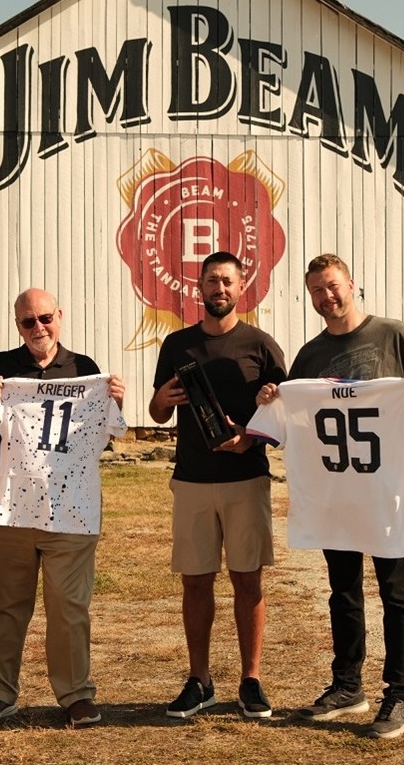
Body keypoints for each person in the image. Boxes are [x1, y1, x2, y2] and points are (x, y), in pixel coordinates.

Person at [256, 253, 404, 739]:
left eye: (333, 286)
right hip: (335, 492)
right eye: (317, 290)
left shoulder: (392, 334)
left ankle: (400, 695)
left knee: (396, 591)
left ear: (352, 284)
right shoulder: (311, 355)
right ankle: (347, 686)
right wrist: (273, 398)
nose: (327, 297)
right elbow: (292, 410)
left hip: (385, 493)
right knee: (343, 591)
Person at [0, 289, 126, 728]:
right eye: (27, 322)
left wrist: (115, 400)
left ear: (60, 315)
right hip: (7, 499)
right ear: (17, 325)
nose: (38, 328)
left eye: (44, 318)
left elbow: (106, 436)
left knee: (69, 605)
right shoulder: (0, 367)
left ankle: (76, 693)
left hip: (70, 503)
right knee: (2, 601)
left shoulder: (87, 371)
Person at [148, 252, 287, 719]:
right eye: (212, 281)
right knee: (195, 581)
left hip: (246, 479)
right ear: (199, 288)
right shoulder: (177, 345)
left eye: (227, 281)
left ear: (241, 287)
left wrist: (249, 438)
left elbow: (282, 418)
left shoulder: (262, 347)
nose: (219, 289)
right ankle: (199, 680)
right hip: (191, 480)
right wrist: (161, 400)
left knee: (248, 580)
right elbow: (157, 412)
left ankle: (251, 680)